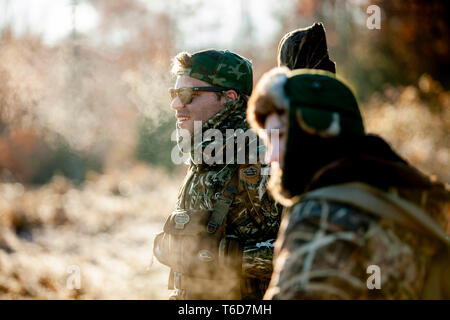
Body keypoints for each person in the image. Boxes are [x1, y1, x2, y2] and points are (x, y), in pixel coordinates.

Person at [247, 67, 450, 299]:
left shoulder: (321, 215)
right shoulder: (417, 203)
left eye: (280, 136)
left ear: (316, 131)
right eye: (267, 141)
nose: (270, 156)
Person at [153, 49, 282, 300]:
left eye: (187, 94)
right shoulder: (202, 157)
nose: (176, 104)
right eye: (174, 93)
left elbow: (303, 255)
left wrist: (223, 256)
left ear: (229, 97)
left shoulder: (264, 161)